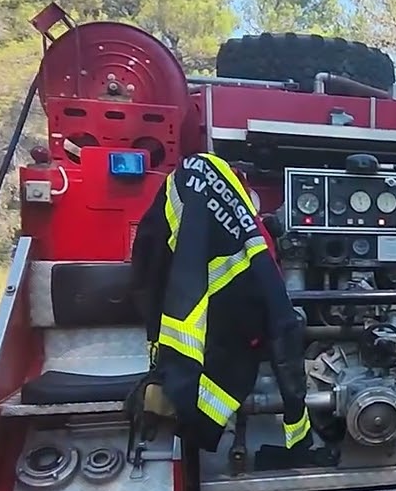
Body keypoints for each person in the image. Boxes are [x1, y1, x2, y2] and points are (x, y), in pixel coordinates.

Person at [126, 152, 336, 468]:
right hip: (224, 349)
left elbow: (148, 270)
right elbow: (280, 318)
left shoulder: (189, 187)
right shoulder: (249, 227)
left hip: (208, 352)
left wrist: (167, 367)